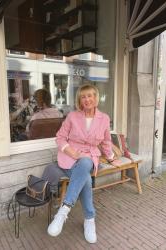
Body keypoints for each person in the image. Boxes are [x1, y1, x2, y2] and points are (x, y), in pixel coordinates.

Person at [46, 84, 120, 243]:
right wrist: (71, 151)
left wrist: (111, 156)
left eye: (90, 96)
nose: (87, 99)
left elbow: (106, 141)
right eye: (83, 96)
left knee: (86, 162)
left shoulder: (104, 118)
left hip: (90, 156)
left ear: (96, 98)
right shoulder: (72, 116)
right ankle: (89, 219)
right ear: (80, 100)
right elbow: (59, 138)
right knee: (85, 178)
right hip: (69, 156)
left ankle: (64, 210)